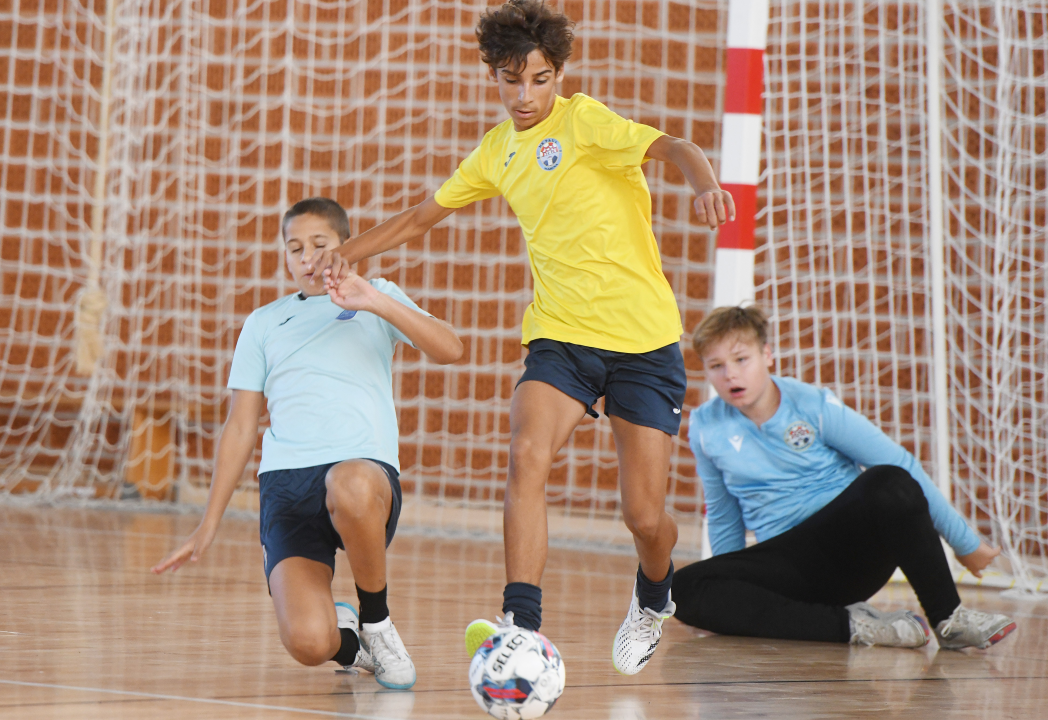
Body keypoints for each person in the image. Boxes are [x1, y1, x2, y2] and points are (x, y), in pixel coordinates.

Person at [321, 0, 734, 675]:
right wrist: (345, 255)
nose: (524, 95)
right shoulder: (496, 151)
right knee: (525, 453)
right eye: (510, 80)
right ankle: (522, 623)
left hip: (642, 342)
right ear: (493, 77)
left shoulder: (586, 122)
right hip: (560, 338)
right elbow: (420, 219)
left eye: (539, 79)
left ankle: (653, 593)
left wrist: (705, 183)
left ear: (559, 75)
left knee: (643, 516)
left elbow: (673, 147)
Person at [152, 198, 463, 688]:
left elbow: (451, 348)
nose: (307, 258)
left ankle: (377, 623)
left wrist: (375, 301)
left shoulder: (376, 295)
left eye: (320, 245)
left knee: (349, 482)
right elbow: (239, 426)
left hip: (361, 477)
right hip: (288, 486)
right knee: (308, 644)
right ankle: (350, 641)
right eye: (295, 248)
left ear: (345, 246)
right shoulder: (263, 323)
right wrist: (207, 522)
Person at [672, 305, 1017, 650]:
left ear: (767, 355)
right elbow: (723, 514)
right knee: (681, 590)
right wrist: (728, 582)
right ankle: (857, 626)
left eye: (741, 360)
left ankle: (949, 618)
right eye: (716, 366)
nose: (730, 375)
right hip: (785, 561)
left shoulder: (813, 404)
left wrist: (965, 544)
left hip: (850, 550)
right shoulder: (705, 426)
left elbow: (903, 467)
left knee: (889, 479)